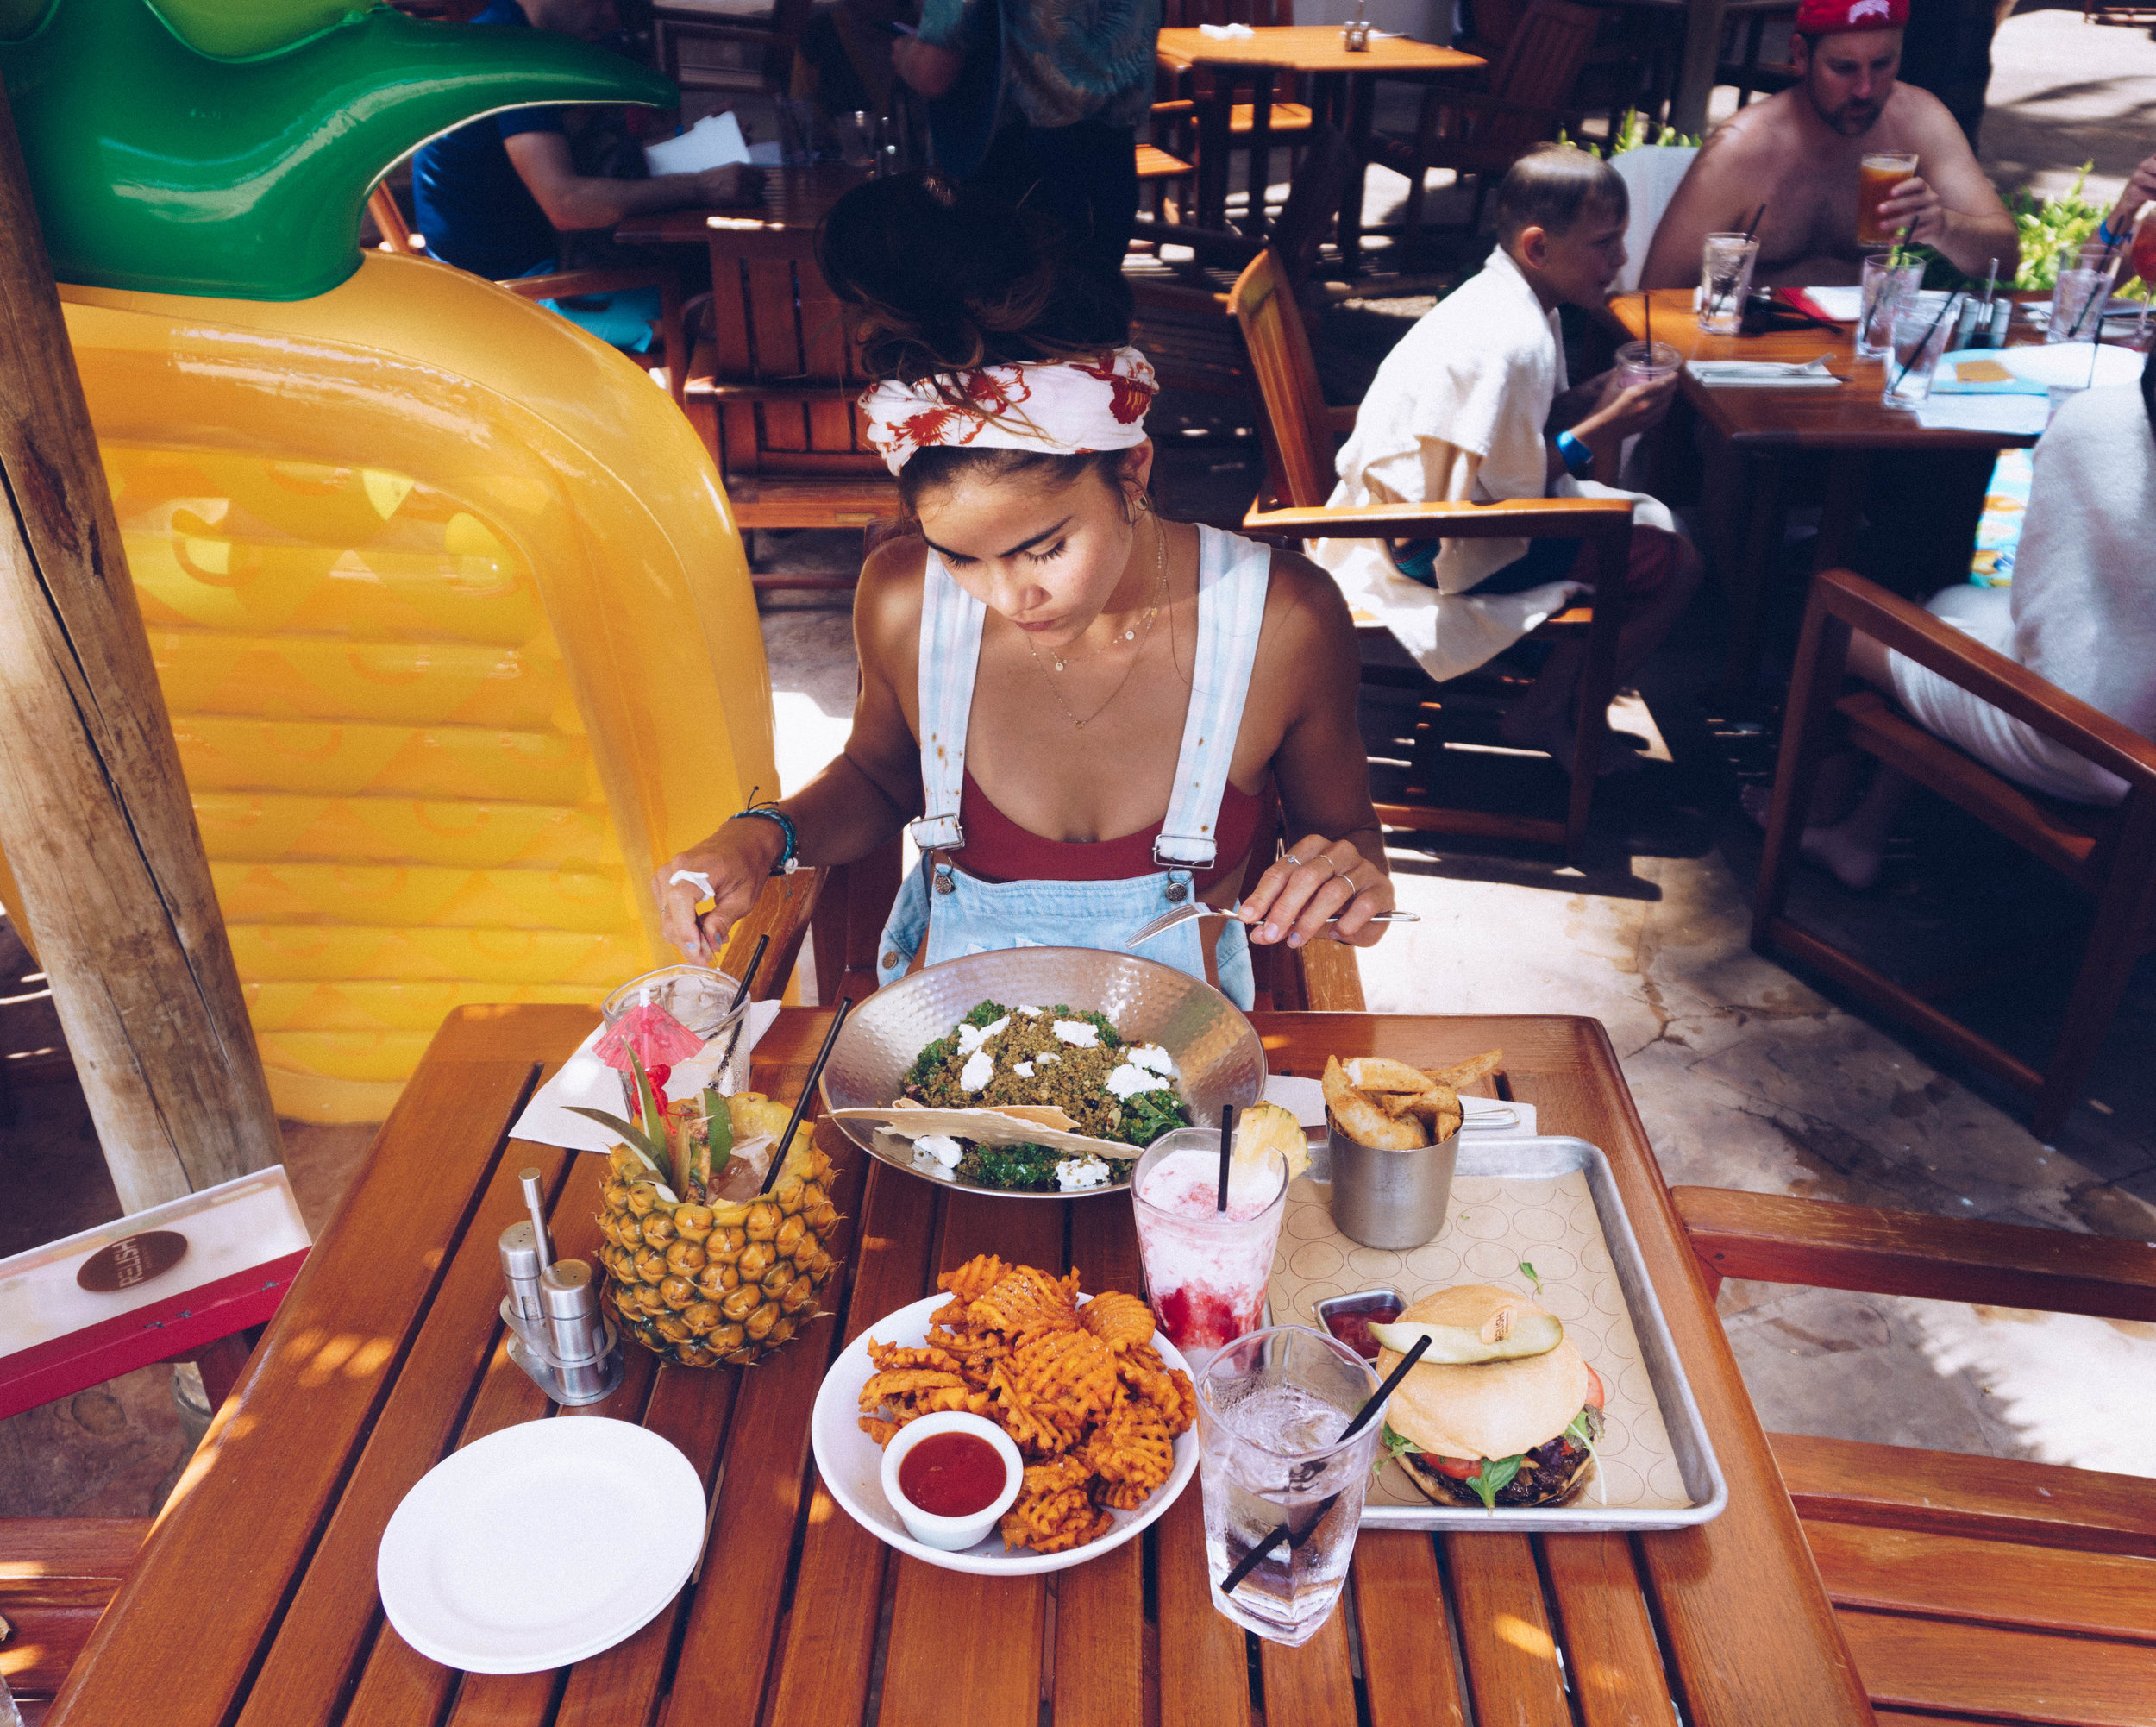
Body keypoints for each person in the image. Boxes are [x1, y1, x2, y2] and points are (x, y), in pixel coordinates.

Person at [655, 173, 1397, 1007]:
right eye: (961, 558)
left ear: (1132, 467)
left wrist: (1349, 884)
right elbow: (880, 775)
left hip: (1188, 1068)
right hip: (948, 1060)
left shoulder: (1280, 622)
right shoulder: (904, 600)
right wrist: (762, 837)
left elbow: (1352, 853)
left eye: (1043, 547)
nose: (1008, 598)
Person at [1309, 147, 1702, 770]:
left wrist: (1592, 397)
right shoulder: (1510, 337)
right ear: (1539, 247)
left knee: (1639, 530)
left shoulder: (1509, 296)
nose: (1620, 260)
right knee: (1673, 565)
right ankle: (1550, 709)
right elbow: (1505, 491)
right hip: (1434, 543)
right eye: (1605, 243)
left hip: (1421, 515)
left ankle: (1556, 693)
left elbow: (1511, 435)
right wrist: (1606, 428)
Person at [1760, 349, 2156, 891]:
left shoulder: (2099, 422)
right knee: (1952, 605)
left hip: (2103, 757)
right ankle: (1859, 835)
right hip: (2135, 746)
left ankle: (1818, 811)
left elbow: (2035, 617)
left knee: (1844, 620)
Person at [1640, 0, 2017, 289]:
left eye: (1883, 64)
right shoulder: (1745, 147)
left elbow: (2007, 257)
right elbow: (1651, 299)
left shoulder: (1919, 121)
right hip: (1748, 359)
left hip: (1858, 360)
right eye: (1844, 68)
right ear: (1801, 56)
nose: (1865, 90)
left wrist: (1943, 227)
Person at [411, 0, 762, 282]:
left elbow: (582, 157)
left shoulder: (508, 31)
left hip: (510, 272)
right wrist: (701, 187)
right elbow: (566, 204)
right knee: (728, 294)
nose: (609, 14)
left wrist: (692, 142)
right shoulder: (513, 54)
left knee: (723, 276)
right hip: (514, 293)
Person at [887, 0, 1157, 280]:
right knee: (1093, 306)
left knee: (1012, 312)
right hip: (1114, 159)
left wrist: (906, 52)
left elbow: (934, 73)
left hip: (1020, 171)